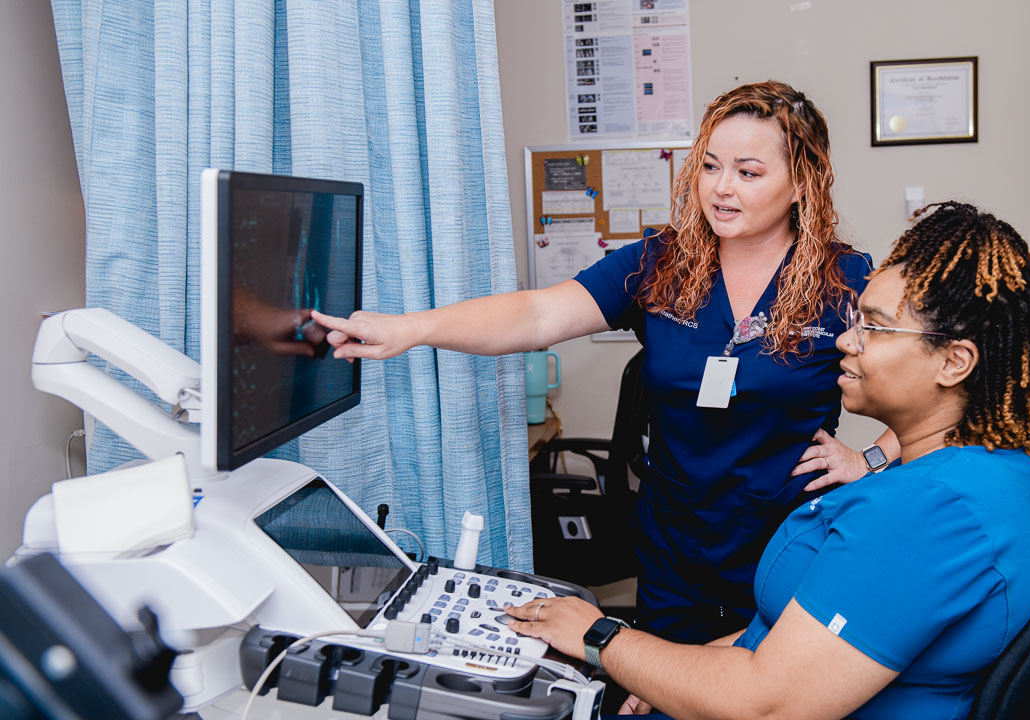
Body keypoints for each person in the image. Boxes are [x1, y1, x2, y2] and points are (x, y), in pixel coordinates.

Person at [313, 80, 898, 643]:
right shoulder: (660, 265)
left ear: (802, 184)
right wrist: (411, 329)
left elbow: (947, 388)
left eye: (748, 173)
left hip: (787, 551)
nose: (722, 188)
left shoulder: (845, 283)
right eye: (711, 165)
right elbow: (537, 316)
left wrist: (871, 457)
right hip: (676, 552)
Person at [503, 201, 1030, 720]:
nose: (847, 341)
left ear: (954, 362)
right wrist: (660, 671)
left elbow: (765, 702)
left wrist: (599, 635)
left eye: (872, 325)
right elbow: (797, 642)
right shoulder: (1002, 470)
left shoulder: (928, 515)